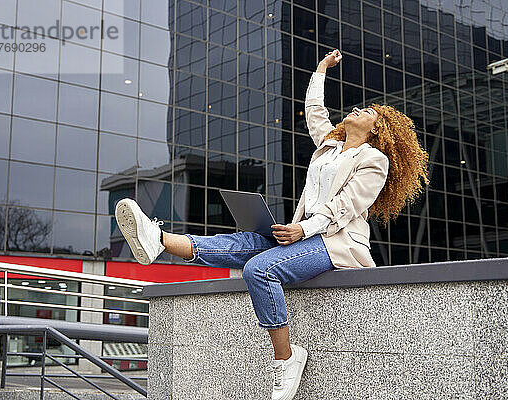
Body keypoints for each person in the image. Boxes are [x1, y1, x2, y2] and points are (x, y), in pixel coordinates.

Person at [115, 49, 429, 400]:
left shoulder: (374, 160)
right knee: (246, 242)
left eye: (367, 112)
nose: (357, 109)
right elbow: (314, 111)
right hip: (303, 235)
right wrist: (322, 69)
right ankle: (158, 238)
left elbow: (345, 206)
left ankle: (287, 358)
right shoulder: (330, 147)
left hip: (336, 244)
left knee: (259, 270)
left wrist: (303, 229)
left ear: (378, 130)